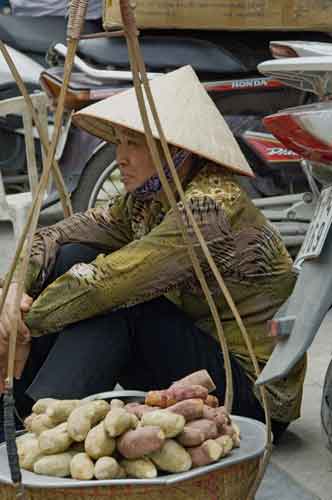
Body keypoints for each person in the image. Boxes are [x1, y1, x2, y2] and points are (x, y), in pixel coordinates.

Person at [0, 66, 306, 442]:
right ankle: (21, 411)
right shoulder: (145, 202)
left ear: (176, 150)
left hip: (249, 393)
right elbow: (56, 234)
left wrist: (24, 325)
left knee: (118, 305)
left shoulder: (210, 209)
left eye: (134, 143)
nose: (121, 157)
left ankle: (34, 430)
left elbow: (105, 285)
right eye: (119, 142)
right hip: (187, 362)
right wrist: (13, 291)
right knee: (70, 255)